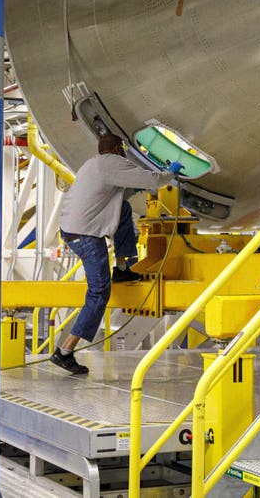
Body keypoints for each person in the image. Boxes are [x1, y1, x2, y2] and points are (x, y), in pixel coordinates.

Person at [50, 133, 182, 375]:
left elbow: (121, 193)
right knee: (99, 291)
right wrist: (169, 173)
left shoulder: (93, 164)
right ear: (118, 149)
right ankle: (65, 351)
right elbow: (151, 180)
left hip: (73, 229)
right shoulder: (113, 163)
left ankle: (121, 269)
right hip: (86, 235)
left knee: (124, 208)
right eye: (123, 149)